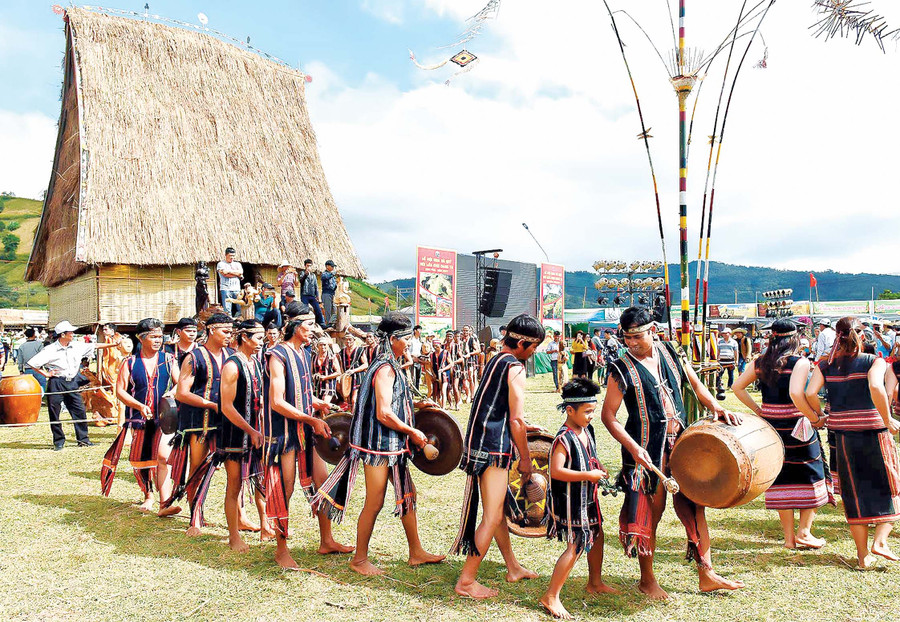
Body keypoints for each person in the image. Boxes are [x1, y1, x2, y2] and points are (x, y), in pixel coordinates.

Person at [600, 306, 744, 599]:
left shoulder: (670, 351)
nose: (632, 343)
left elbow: (694, 382)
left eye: (637, 336)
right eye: (627, 338)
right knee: (651, 513)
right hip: (645, 451)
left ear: (652, 330)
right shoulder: (620, 367)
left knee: (695, 505)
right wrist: (633, 447)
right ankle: (647, 580)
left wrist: (716, 407)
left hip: (681, 443)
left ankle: (707, 573)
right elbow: (608, 416)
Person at [312, 312, 445, 575]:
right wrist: (414, 432)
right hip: (379, 447)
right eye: (406, 339)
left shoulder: (388, 363)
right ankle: (359, 559)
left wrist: (419, 404)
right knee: (375, 501)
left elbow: (392, 401)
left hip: (393, 445)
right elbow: (384, 412)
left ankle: (416, 551)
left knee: (408, 494)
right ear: (394, 339)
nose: (409, 343)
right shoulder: (384, 368)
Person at [451, 313, 544, 599]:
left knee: (497, 510)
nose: (534, 353)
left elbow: (495, 406)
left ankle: (513, 567)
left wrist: (523, 425)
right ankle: (466, 582)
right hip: (493, 449)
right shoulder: (514, 367)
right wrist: (526, 459)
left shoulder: (495, 359)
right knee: (492, 516)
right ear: (523, 345)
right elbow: (514, 420)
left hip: (479, 444)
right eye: (534, 348)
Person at [796, 317, 900, 570]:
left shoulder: (826, 364)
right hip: (874, 432)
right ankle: (881, 542)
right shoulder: (873, 361)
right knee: (890, 485)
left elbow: (809, 393)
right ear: (862, 336)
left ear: (836, 336)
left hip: (842, 434)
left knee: (853, 493)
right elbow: (876, 387)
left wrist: (818, 416)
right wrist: (888, 419)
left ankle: (863, 556)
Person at [263, 302, 353, 569]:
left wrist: (317, 404)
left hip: (305, 429)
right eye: (309, 324)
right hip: (283, 434)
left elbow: (299, 392)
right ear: (293, 325)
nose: (314, 330)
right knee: (285, 488)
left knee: (323, 484)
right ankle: (281, 550)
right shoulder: (276, 355)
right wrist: (311, 418)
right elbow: (277, 401)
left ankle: (327, 540)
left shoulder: (303, 353)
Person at [732, 319, 832, 549]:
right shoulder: (800, 362)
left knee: (781, 475)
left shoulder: (760, 362)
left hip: (771, 428)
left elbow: (737, 387)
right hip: (798, 427)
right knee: (811, 472)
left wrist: (759, 410)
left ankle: (789, 539)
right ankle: (804, 532)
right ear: (795, 338)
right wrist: (815, 418)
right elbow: (797, 393)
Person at [540, 378, 617, 619]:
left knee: (598, 535)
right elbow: (556, 471)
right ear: (570, 410)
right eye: (587, 412)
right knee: (575, 545)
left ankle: (595, 582)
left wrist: (600, 467)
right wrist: (588, 474)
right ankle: (551, 595)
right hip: (572, 502)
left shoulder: (586, 430)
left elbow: (590, 454)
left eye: (593, 411)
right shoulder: (563, 438)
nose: (591, 416)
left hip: (589, 499)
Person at [102, 318, 181, 517]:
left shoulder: (168, 359)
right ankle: (148, 495)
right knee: (141, 460)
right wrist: (138, 405)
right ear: (141, 338)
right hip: (139, 419)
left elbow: (180, 383)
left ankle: (165, 502)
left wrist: (172, 391)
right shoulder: (130, 362)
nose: (158, 340)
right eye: (153, 337)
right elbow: (120, 391)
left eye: (160, 337)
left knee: (163, 457)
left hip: (165, 418)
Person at [166, 313, 234, 535]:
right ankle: (195, 518)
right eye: (225, 331)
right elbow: (182, 393)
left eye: (231, 331)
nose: (229, 335)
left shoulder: (232, 355)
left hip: (227, 421)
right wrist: (212, 404)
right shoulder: (193, 357)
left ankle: (239, 518)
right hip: (199, 423)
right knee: (197, 470)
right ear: (212, 330)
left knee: (234, 472)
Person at [216, 319, 274, 550]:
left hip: (256, 433)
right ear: (245, 338)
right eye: (259, 338)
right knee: (234, 486)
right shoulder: (232, 365)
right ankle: (234, 537)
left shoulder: (256, 363)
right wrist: (250, 430)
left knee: (260, 480)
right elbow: (227, 406)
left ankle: (265, 527)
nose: (263, 342)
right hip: (234, 434)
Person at [26, 321, 123, 450]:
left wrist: (113, 344)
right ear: (62, 334)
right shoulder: (50, 349)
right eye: (70, 332)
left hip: (72, 382)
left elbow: (95, 345)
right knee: (54, 413)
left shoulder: (77, 346)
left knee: (79, 411)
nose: (72, 334)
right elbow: (33, 363)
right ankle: (59, 441)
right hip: (57, 382)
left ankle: (83, 440)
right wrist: (46, 374)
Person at [339, 335, 368, 413]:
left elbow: (365, 364)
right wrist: (342, 375)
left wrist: (354, 370)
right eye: (346, 340)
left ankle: (354, 417)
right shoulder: (342, 352)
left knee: (354, 400)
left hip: (358, 377)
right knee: (347, 399)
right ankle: (350, 418)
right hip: (347, 378)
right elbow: (341, 365)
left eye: (350, 339)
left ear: (354, 340)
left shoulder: (360, 350)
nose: (348, 341)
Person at [312, 336, 341, 404]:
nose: (323, 347)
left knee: (324, 403)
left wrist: (325, 377)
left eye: (324, 345)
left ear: (327, 346)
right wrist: (314, 376)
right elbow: (311, 372)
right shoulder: (314, 358)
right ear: (317, 346)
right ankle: (331, 413)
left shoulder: (332, 358)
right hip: (317, 386)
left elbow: (338, 372)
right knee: (320, 407)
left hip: (329, 385)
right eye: (321, 345)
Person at [217, 247, 244, 318]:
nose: (232, 257)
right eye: (230, 256)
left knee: (240, 307)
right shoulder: (221, 264)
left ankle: (239, 320)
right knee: (227, 308)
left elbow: (240, 272)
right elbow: (224, 274)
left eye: (233, 256)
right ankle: (228, 321)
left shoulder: (237, 264)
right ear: (226, 255)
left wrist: (229, 271)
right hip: (226, 288)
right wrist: (236, 274)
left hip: (236, 288)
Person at [299, 258, 325, 327]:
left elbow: (316, 287)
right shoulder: (302, 273)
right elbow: (301, 281)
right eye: (307, 265)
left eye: (310, 266)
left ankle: (321, 324)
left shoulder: (313, 275)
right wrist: (305, 274)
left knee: (318, 309)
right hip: (304, 295)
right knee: (305, 310)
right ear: (305, 266)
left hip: (312, 295)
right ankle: (305, 325)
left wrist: (318, 298)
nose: (309, 267)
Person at [321, 260, 338, 326]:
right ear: (327, 266)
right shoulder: (324, 274)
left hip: (332, 294)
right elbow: (325, 277)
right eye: (332, 266)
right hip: (326, 294)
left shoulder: (333, 276)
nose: (333, 268)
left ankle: (333, 324)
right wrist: (333, 273)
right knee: (327, 310)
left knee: (334, 309)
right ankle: (328, 324)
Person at [409, 325, 423, 390]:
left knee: (418, 376)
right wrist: (412, 357)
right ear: (415, 331)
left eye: (421, 330)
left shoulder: (420, 341)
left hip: (419, 359)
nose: (420, 332)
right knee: (412, 376)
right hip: (412, 359)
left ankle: (417, 389)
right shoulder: (411, 340)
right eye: (419, 330)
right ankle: (412, 389)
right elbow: (408, 351)